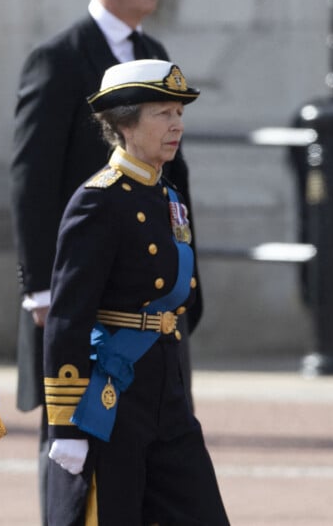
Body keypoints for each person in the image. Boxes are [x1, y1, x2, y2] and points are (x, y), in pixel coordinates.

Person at [10, 0, 202, 520]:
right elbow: (33, 177)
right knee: (78, 461)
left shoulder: (153, 55)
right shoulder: (58, 57)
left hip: (153, 302)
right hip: (83, 297)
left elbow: (176, 183)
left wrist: (189, 287)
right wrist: (43, 290)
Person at [43, 59, 229, 525]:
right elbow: (69, 315)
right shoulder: (98, 199)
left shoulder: (168, 198)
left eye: (179, 114)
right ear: (125, 123)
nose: (176, 125)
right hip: (114, 400)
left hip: (167, 394)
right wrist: (65, 424)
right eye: (163, 113)